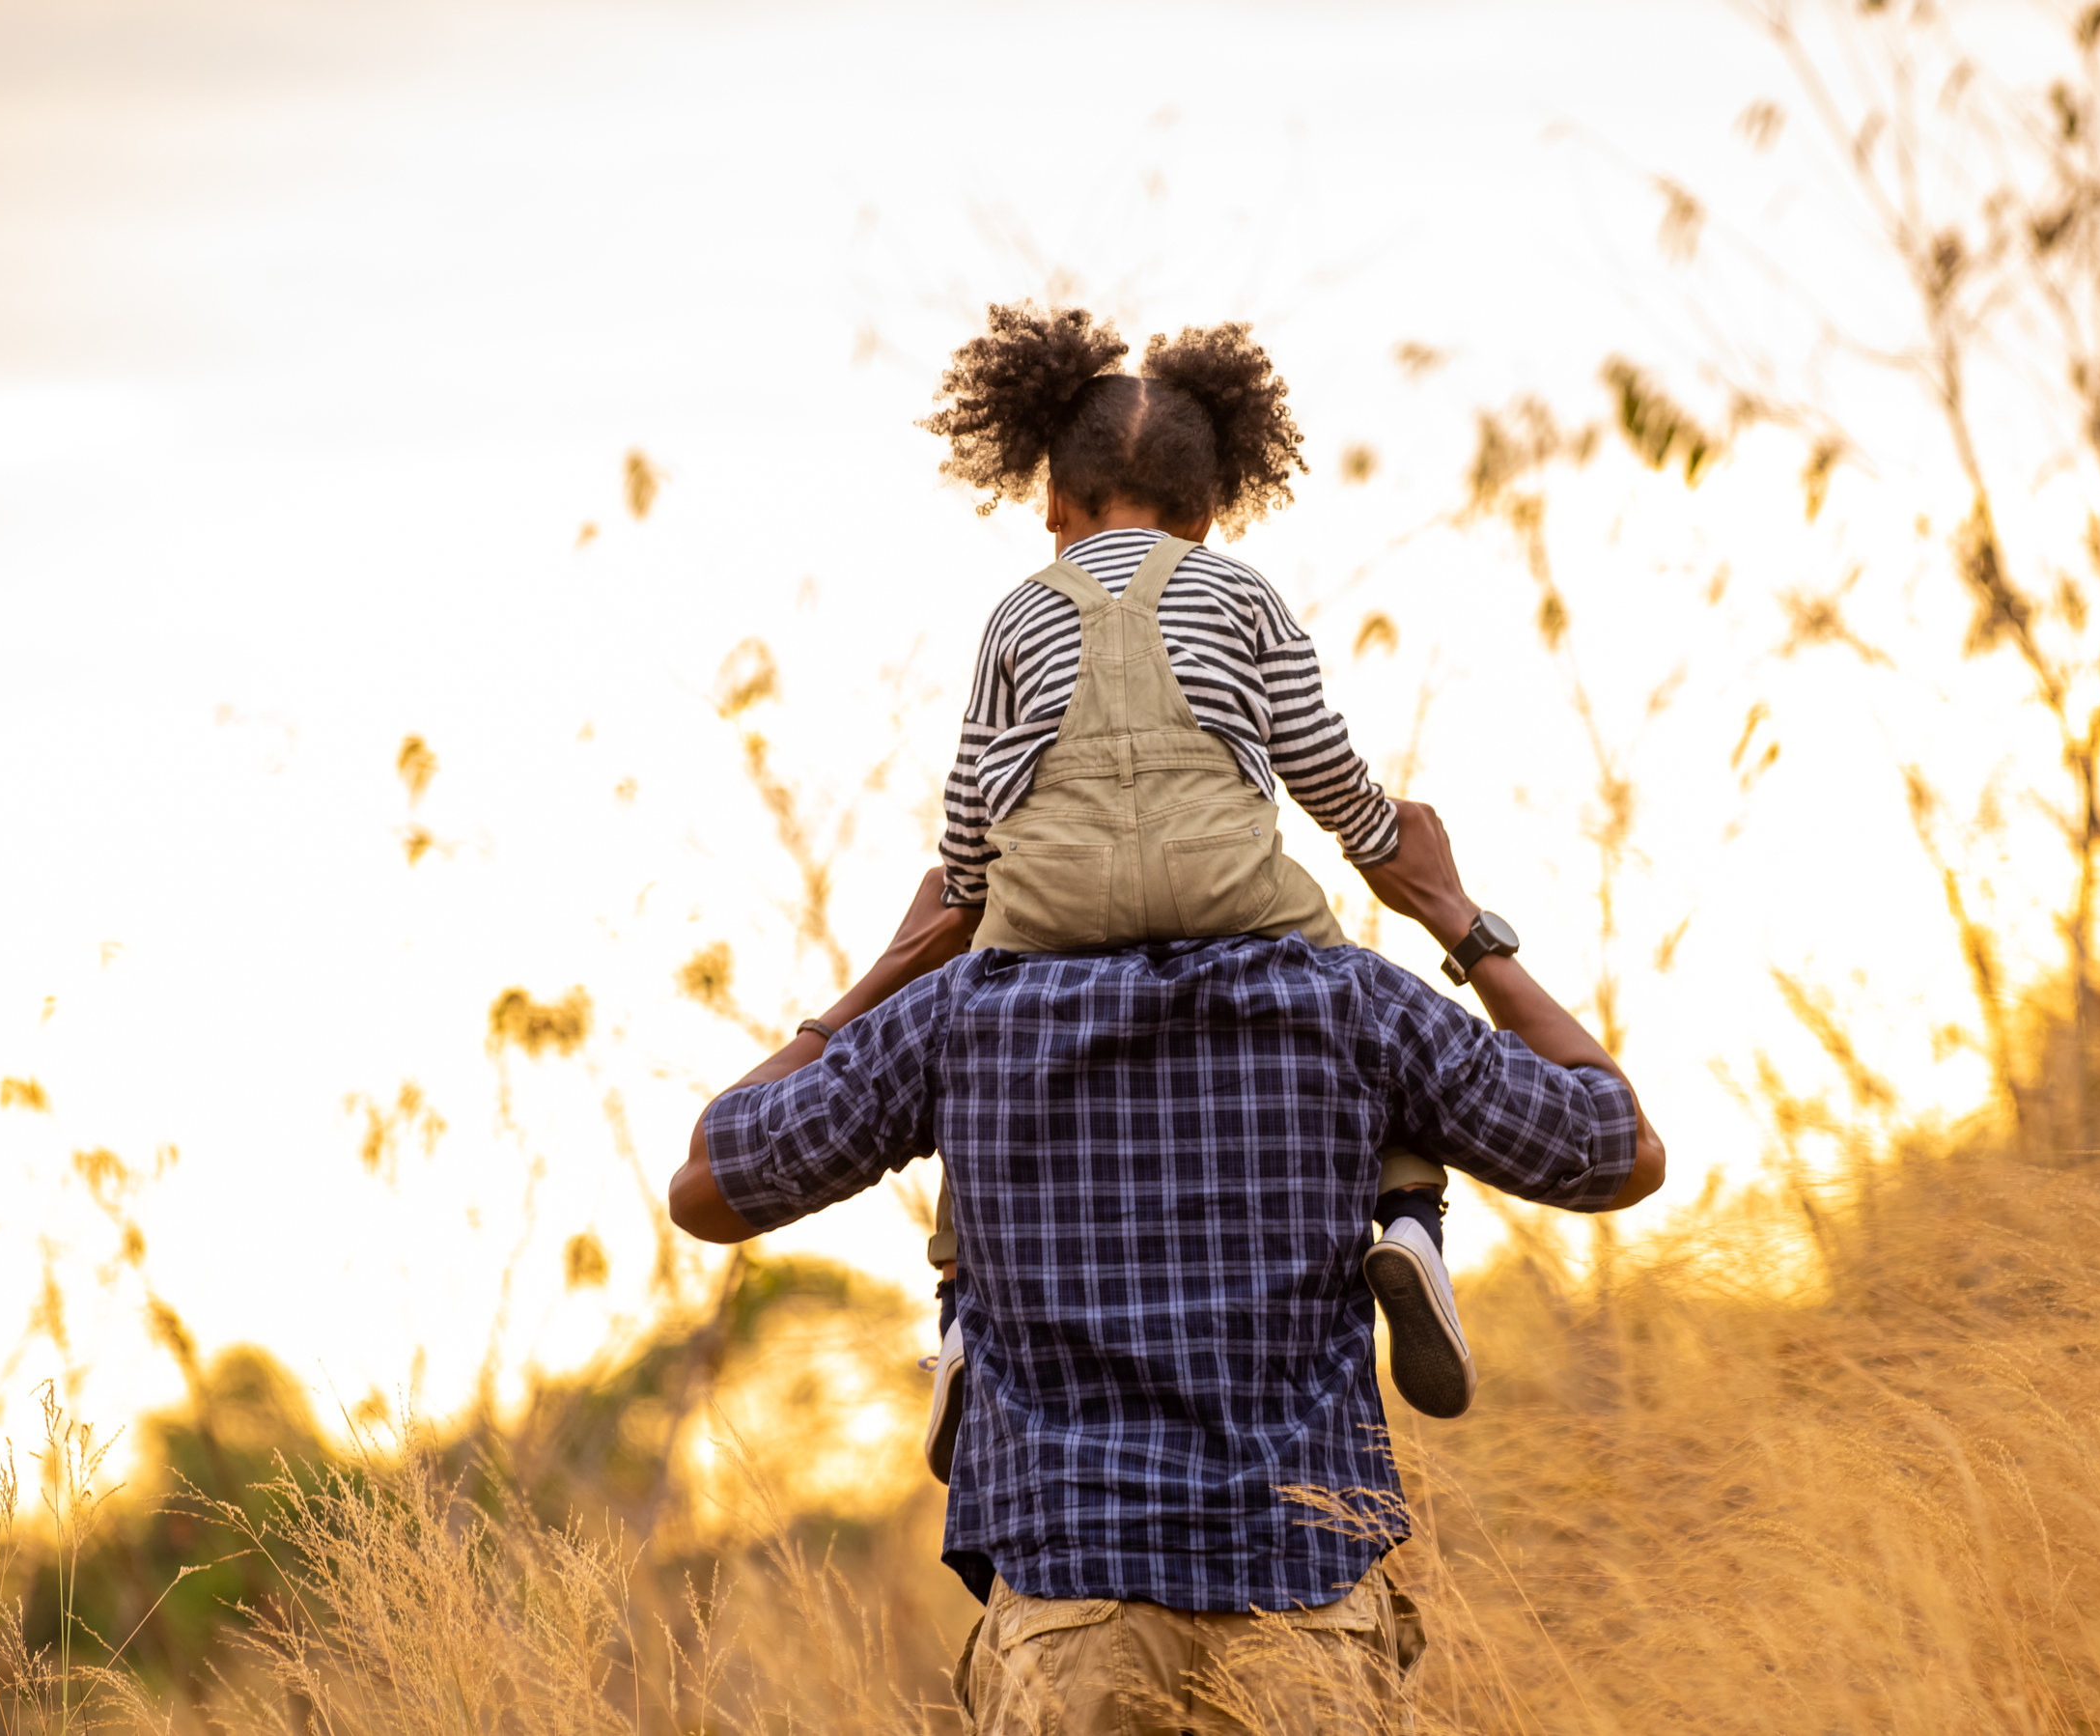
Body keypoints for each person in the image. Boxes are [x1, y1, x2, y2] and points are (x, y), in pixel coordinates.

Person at [671, 799, 1662, 1734]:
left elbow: (711, 1180)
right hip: (1302, 1597)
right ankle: (1411, 1213)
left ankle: (960, 1303)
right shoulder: (1348, 996)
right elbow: (1618, 1147)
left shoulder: (961, 1013)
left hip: (1070, 1600)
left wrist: (894, 966)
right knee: (1394, 1140)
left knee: (977, 1184)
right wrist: (1450, 911)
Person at [766, 303, 1488, 1470]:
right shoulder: (1244, 596)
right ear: (1210, 511)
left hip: (1047, 915)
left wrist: (972, 896)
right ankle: (1409, 1221)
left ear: (1052, 502)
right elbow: (1321, 769)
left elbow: (970, 816)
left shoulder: (1017, 613)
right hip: (1235, 893)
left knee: (979, 1037)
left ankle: (960, 1315)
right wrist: (1378, 839)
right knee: (1360, 995)